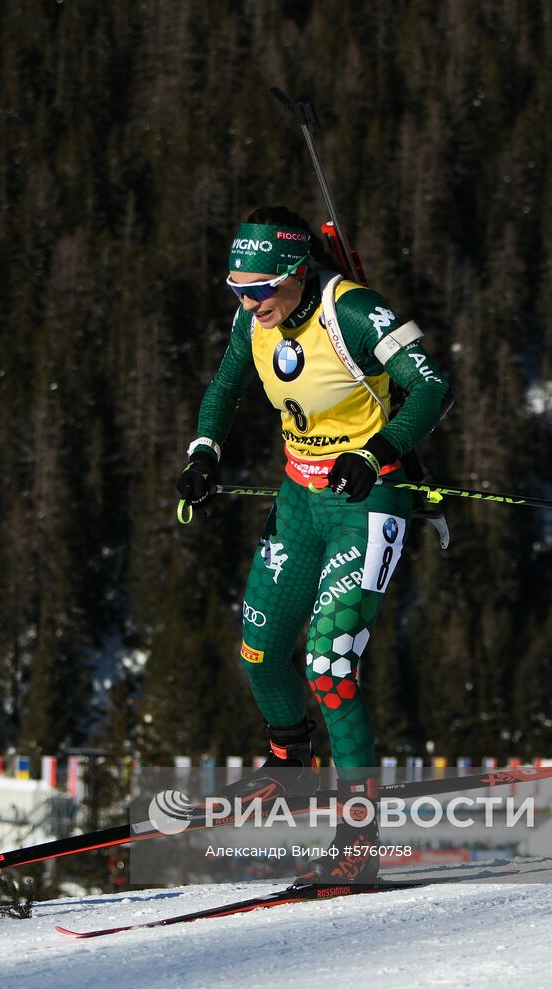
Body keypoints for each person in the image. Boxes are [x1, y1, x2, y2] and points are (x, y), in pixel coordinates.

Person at [176, 206, 452, 880]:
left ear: (299, 272)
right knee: (260, 652)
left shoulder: (351, 311)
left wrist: (382, 450)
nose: (248, 300)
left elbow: (433, 385)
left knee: (330, 667)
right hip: (300, 499)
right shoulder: (254, 320)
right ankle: (288, 761)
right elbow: (224, 386)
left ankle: (359, 837)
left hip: (367, 501)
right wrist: (204, 453)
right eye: (238, 287)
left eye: (261, 287)